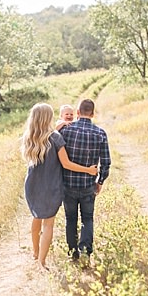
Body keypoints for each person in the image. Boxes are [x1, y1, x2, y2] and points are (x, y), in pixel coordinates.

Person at [21, 103, 98, 270]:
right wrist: (88, 170)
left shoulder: (29, 137)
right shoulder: (55, 137)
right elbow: (67, 164)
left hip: (32, 185)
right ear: (48, 118)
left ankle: (35, 253)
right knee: (48, 224)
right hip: (51, 186)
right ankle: (41, 262)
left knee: (36, 217)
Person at [59, 98, 111, 260]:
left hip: (68, 184)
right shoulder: (100, 133)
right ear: (93, 114)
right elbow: (106, 162)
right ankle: (85, 251)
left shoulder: (65, 131)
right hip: (88, 184)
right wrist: (100, 181)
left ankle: (73, 253)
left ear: (78, 113)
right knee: (87, 218)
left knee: (70, 218)